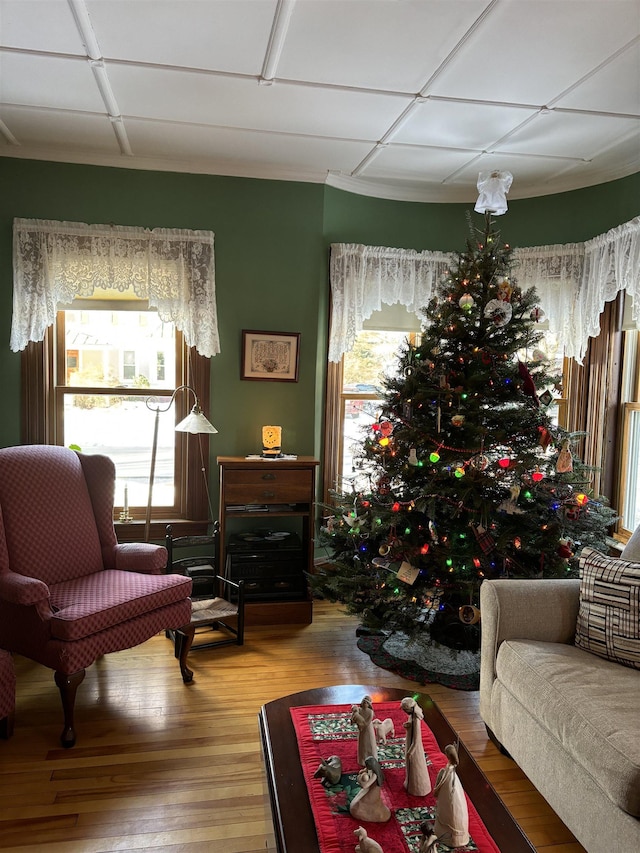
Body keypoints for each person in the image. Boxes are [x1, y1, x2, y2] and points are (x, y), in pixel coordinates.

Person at [433, 744, 469, 847]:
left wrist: (436, 790)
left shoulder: (448, 770)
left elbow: (442, 781)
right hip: (451, 789)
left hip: (449, 792)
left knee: (450, 809)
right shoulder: (450, 769)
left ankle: (451, 836)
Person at [400, 696, 431, 796]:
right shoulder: (412, 715)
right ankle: (410, 783)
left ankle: (418, 787)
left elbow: (417, 739)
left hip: (414, 747)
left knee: (415, 765)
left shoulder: (416, 719)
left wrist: (411, 752)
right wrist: (408, 726)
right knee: (411, 767)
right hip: (411, 742)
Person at [349, 756, 390, 823]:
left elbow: (365, 785)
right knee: (356, 805)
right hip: (368, 789)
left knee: (363, 804)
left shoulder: (374, 775)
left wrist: (360, 779)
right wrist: (362, 773)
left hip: (372, 791)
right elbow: (363, 772)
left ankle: (372, 812)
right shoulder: (370, 769)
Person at [351, 695, 377, 766]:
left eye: (367, 703)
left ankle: (372, 757)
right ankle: (362, 759)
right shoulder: (360, 710)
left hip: (368, 729)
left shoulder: (370, 712)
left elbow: (368, 722)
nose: (365, 704)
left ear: (369, 705)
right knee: (363, 744)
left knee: (370, 743)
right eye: (364, 702)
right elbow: (354, 714)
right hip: (362, 730)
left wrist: (362, 725)